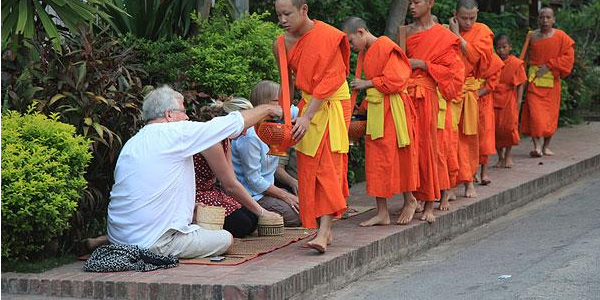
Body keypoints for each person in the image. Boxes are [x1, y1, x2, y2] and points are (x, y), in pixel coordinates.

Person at [106, 85, 282, 258]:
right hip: (153, 243)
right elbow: (232, 123)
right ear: (169, 114)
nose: (187, 117)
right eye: (183, 111)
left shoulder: (133, 142)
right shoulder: (176, 132)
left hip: (118, 239)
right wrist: (267, 108)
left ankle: (104, 240)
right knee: (225, 239)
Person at [274, 0, 351, 253]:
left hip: (330, 105)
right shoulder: (281, 43)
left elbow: (333, 78)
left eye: (287, 13)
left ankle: (325, 230)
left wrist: (307, 116)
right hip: (306, 106)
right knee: (309, 170)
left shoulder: (328, 36)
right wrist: (285, 118)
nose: (282, 19)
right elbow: (287, 84)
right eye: (279, 15)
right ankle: (322, 229)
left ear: (304, 10)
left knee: (328, 169)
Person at [341, 17, 419, 227]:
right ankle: (382, 212)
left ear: (361, 32)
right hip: (377, 110)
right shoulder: (366, 52)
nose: (350, 46)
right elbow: (379, 88)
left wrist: (367, 83)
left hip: (394, 111)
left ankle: (410, 199)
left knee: (400, 155)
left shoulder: (386, 46)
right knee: (376, 159)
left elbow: (397, 80)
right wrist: (363, 105)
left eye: (350, 41)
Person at [404, 0, 465, 222]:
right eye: (409, 2)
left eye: (417, 1)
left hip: (428, 98)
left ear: (430, 3)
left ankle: (430, 202)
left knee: (429, 148)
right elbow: (398, 66)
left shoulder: (443, 35)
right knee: (409, 149)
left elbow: (454, 73)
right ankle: (410, 198)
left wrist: (423, 64)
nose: (412, 6)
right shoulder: (405, 32)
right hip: (407, 97)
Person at [193, 98, 282, 238]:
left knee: (252, 219)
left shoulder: (226, 139)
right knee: (244, 224)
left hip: (213, 191)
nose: (246, 132)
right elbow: (229, 185)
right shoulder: (213, 139)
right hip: (196, 195)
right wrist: (263, 212)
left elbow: (231, 181)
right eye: (244, 126)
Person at [449, 0, 503, 197]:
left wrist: (456, 36)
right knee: (450, 139)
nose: (468, 22)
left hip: (470, 94)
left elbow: (474, 56)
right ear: (455, 14)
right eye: (464, 18)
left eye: (472, 17)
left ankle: (469, 180)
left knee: (469, 139)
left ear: (478, 14)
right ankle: (450, 184)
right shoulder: (445, 30)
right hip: (451, 92)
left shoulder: (483, 32)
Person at [231, 81, 301, 227]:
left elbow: (300, 110)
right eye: (277, 102)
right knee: (297, 217)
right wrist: (285, 195)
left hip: (270, 190)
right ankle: (258, 218)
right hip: (253, 196)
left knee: (310, 208)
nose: (282, 106)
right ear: (264, 104)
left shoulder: (276, 122)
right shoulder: (250, 135)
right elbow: (253, 180)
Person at [521, 7, 575, 157]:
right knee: (535, 115)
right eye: (542, 17)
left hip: (551, 82)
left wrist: (549, 65)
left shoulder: (561, 36)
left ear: (553, 19)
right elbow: (524, 58)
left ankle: (546, 146)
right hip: (534, 79)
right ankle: (537, 146)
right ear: (538, 19)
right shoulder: (532, 36)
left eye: (548, 18)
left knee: (550, 116)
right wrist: (521, 77)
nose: (545, 21)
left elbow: (569, 57)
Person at [492, 34, 527, 168]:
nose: (501, 50)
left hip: (509, 100)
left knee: (509, 128)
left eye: (504, 47)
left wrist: (518, 101)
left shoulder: (516, 63)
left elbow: (520, 84)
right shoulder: (493, 61)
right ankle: (500, 157)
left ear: (510, 47)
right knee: (495, 129)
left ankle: (508, 156)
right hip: (494, 98)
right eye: (498, 48)